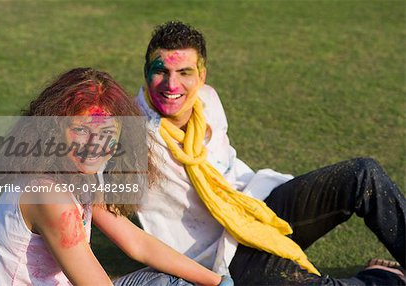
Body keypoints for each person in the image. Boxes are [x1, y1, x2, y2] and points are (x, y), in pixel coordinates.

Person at [134, 21, 406, 285]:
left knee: (363, 175)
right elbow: (106, 206)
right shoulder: (131, 133)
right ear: (146, 72)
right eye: (161, 71)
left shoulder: (207, 99)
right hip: (224, 257)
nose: (172, 85)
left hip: (263, 208)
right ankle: (385, 278)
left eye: (184, 72)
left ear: (201, 75)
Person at [0, 67, 233, 286]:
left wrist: (217, 280)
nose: (94, 146)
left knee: (174, 280)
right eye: (80, 131)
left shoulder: (79, 175)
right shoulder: (48, 196)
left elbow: (137, 243)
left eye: (106, 135)